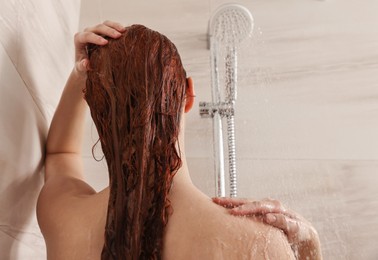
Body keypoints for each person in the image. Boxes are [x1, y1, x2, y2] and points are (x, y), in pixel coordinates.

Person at [37, 21, 321, 260]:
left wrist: (80, 74)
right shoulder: (258, 244)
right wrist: (309, 242)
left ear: (95, 109)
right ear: (189, 95)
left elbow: (60, 153)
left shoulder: (64, 218)